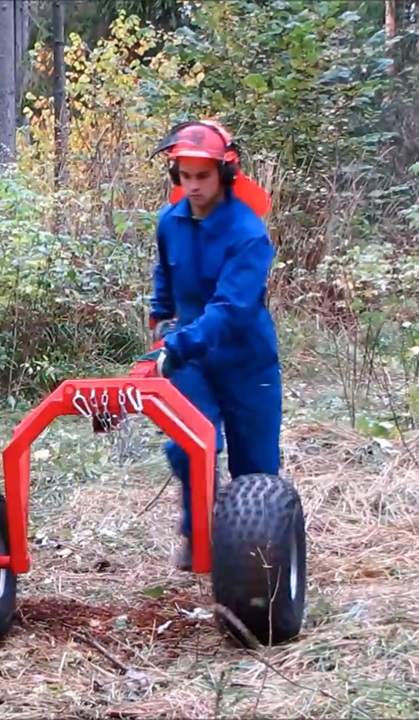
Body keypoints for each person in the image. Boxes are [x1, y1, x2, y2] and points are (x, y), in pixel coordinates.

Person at [139, 119, 284, 571]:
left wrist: (176, 345)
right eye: (185, 175)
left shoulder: (248, 233)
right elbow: (166, 271)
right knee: (189, 443)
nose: (194, 185)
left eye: (202, 176)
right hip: (190, 359)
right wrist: (161, 316)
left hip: (246, 359)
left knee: (256, 468)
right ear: (175, 175)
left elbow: (231, 309)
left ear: (223, 174)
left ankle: (258, 561)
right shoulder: (170, 221)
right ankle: (196, 532)